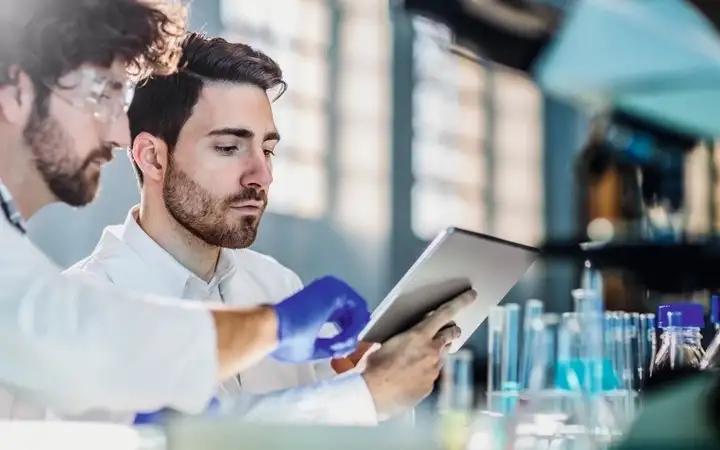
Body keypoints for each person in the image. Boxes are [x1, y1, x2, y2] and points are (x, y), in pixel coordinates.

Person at [56, 32, 476, 426]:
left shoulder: (278, 284)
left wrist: (369, 375)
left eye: (268, 149)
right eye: (228, 147)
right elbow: (167, 438)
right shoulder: (82, 308)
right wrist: (366, 395)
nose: (262, 176)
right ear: (152, 157)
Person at [0, 0, 373, 418]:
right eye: (99, 94)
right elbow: (83, 336)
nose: (119, 131)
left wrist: (361, 381)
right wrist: (277, 328)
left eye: (268, 150)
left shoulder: (277, 284)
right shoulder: (80, 295)